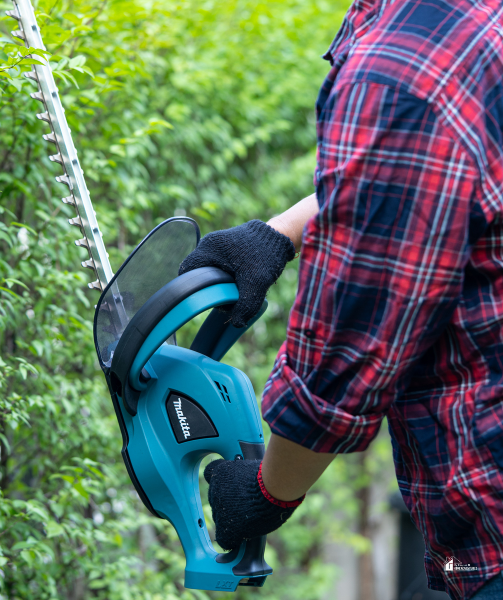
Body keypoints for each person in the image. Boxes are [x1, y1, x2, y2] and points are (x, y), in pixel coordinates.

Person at [178, 1, 503, 599]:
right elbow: (438, 167)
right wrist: (279, 234)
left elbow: (354, 339)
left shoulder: (408, 60)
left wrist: (268, 490)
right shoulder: (465, 23)